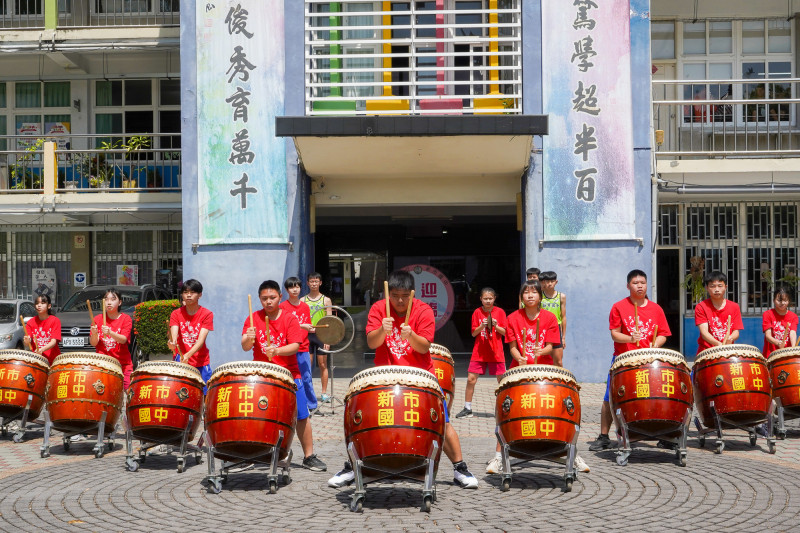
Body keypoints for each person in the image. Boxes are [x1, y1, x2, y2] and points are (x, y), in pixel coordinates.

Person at [328, 270, 479, 489]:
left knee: (440, 421)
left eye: (405, 296)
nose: (400, 300)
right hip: (385, 376)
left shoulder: (423, 310)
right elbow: (372, 342)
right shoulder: (380, 308)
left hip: (420, 377)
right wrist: (382, 329)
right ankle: (353, 466)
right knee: (367, 419)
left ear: (412, 294)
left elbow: (424, 346)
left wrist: (411, 336)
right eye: (395, 295)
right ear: (388, 294)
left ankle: (459, 468)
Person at [503, 279, 589, 473]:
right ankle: (499, 455)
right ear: (521, 297)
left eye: (534, 292)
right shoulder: (512, 318)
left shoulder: (550, 318)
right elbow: (512, 347)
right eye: (526, 292)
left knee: (559, 412)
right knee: (510, 413)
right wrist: (520, 358)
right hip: (520, 372)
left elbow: (551, 346)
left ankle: (573, 454)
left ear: (540, 296)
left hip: (545, 372)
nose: (530, 295)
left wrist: (541, 351)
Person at [242, 280, 326, 472]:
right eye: (264, 299)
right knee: (257, 414)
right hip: (262, 376)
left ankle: (309, 456)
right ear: (259, 299)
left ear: (280, 297)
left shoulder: (289, 318)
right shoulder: (253, 318)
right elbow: (245, 346)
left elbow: (296, 345)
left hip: (290, 374)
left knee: (302, 415)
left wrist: (277, 350)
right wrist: (249, 337)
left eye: (272, 297)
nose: (268, 302)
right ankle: (250, 454)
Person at [589, 269, 671, 452]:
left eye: (642, 282)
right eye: (635, 283)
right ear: (628, 286)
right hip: (623, 359)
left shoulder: (656, 309)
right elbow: (614, 334)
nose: (639, 285)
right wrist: (630, 339)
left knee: (654, 396)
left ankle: (664, 434)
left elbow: (664, 334)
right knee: (609, 397)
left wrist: (654, 344)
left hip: (649, 359)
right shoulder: (619, 307)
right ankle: (603, 436)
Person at [455, 287, 507, 419]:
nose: (488, 301)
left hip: (496, 352)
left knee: (502, 381)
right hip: (479, 352)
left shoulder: (500, 312)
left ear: (494, 299)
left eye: (490, 298)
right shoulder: (477, 312)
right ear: (481, 299)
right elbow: (473, 333)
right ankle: (467, 408)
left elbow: (506, 333)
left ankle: (504, 408)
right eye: (485, 298)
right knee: (471, 380)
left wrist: (496, 326)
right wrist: (482, 326)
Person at [167, 279, 214, 388]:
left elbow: (201, 341)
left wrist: (188, 355)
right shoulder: (176, 313)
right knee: (180, 393)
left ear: (200, 295)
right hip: (181, 360)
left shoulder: (207, 314)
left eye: (192, 292)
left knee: (205, 393)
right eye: (185, 292)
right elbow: (174, 336)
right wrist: (171, 343)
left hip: (200, 361)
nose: (188, 295)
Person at [281, 276, 318, 413]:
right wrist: (301, 325)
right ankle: (289, 403)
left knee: (306, 377)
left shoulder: (305, 307)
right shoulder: (282, 307)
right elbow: (283, 327)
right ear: (286, 290)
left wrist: (309, 328)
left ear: (301, 288)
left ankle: (312, 405)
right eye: (291, 287)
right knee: (287, 377)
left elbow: (307, 326)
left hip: (303, 347)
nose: (295, 289)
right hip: (288, 348)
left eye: (297, 286)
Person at [90, 288, 133, 388]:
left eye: (113, 299)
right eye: (106, 299)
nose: (109, 302)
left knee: (128, 392)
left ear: (120, 302)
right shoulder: (97, 319)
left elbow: (123, 339)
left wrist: (110, 332)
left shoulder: (125, 319)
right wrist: (95, 333)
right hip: (103, 364)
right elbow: (93, 343)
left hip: (122, 364)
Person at [694, 271, 743, 355]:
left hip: (727, 351)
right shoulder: (701, 307)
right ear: (707, 288)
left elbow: (736, 332)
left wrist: (730, 338)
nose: (716, 290)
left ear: (725, 287)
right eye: (712, 286)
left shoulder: (734, 307)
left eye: (720, 286)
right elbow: (704, 333)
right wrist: (719, 344)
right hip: (707, 351)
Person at [302, 272, 332, 403]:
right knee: (307, 365)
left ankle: (324, 393)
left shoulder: (326, 300)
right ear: (308, 283)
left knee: (322, 364)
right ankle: (309, 393)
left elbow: (330, 320)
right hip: (307, 335)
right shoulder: (303, 300)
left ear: (320, 283)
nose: (314, 284)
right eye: (311, 281)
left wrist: (328, 339)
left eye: (316, 281)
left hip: (321, 335)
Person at [22, 294, 61, 364]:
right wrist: (26, 341)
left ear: (49, 306)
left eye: (42, 303)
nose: (39, 305)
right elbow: (27, 343)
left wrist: (41, 350)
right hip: (37, 360)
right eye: (37, 303)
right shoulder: (30, 322)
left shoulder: (55, 320)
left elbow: (53, 342)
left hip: (53, 360)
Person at [762, 285, 798, 358]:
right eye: (779, 300)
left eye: (785, 300)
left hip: (787, 354)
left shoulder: (793, 316)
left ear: (789, 301)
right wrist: (778, 343)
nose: (782, 303)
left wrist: (793, 348)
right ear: (773, 300)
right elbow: (768, 335)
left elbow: (793, 333)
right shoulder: (768, 314)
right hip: (771, 354)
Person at [539, 271, 566, 367]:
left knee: (558, 361)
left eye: (552, 281)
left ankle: (560, 380)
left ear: (556, 282)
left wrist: (563, 337)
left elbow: (563, 317)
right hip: (542, 328)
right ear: (543, 282)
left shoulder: (561, 297)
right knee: (543, 358)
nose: (549, 284)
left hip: (555, 328)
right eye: (547, 281)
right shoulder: (539, 296)